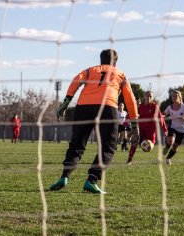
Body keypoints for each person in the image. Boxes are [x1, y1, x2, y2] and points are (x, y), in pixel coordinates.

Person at [49, 49, 139, 194]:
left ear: (100, 60)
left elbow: (76, 80)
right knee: (108, 146)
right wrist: (134, 124)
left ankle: (65, 176)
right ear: (115, 62)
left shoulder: (90, 70)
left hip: (84, 107)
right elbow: (130, 99)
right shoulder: (120, 74)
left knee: (77, 143)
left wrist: (66, 101)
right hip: (107, 107)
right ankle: (92, 180)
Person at [127, 91, 168, 164]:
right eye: (147, 96)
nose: (149, 97)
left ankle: (142, 144)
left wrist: (165, 130)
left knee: (149, 146)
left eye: (150, 96)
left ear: (152, 98)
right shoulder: (140, 107)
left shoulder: (154, 106)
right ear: (144, 96)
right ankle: (129, 159)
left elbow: (161, 118)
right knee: (135, 142)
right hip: (141, 129)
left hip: (151, 131)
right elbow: (132, 114)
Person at [162, 90, 184, 165]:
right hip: (173, 127)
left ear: (180, 97)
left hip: (182, 129)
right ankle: (167, 146)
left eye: (176, 96)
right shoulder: (170, 107)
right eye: (173, 96)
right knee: (170, 140)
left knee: (175, 146)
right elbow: (163, 114)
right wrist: (161, 116)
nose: (174, 97)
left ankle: (168, 158)